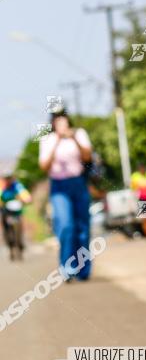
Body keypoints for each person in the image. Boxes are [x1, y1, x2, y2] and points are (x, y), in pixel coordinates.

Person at [39, 110, 93, 281]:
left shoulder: (79, 134)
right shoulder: (47, 139)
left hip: (78, 183)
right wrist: (56, 140)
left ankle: (83, 270)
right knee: (66, 226)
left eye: (63, 117)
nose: (60, 121)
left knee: (82, 229)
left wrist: (73, 138)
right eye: (57, 118)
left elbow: (87, 156)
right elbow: (44, 166)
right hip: (59, 186)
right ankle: (68, 268)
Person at [0, 172, 31, 260]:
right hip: (6, 211)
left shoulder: (17, 186)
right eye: (6, 178)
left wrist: (27, 199)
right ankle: (10, 247)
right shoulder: (2, 187)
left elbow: (24, 194)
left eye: (9, 178)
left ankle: (20, 245)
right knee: (7, 230)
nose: (8, 180)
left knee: (19, 230)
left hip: (17, 212)